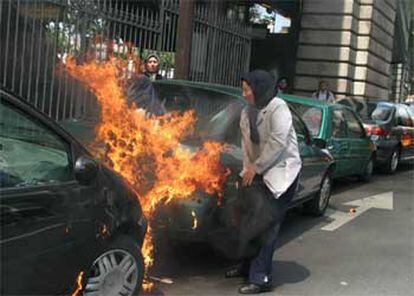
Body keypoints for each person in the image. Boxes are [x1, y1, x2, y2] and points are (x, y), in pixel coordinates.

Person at [225, 70, 302, 294]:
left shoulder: (279, 108)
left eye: (247, 89)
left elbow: (278, 142)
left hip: (281, 174)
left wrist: (255, 168)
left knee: (265, 226)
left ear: (259, 89)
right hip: (257, 171)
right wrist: (245, 172)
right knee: (245, 222)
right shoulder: (247, 112)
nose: (244, 93)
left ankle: (261, 278)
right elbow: (247, 147)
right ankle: (246, 266)